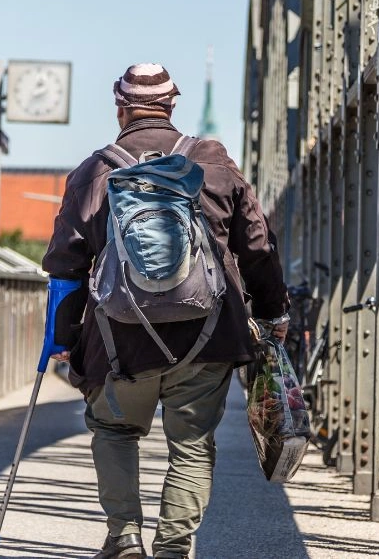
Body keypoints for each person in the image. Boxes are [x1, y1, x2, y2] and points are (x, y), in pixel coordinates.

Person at [42, 63, 290, 559]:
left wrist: (64, 341)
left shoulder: (94, 171)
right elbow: (257, 245)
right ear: (172, 105)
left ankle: (124, 538)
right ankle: (174, 548)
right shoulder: (214, 162)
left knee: (113, 429)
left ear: (120, 108)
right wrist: (273, 312)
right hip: (208, 335)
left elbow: (65, 266)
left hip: (118, 342)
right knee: (192, 444)